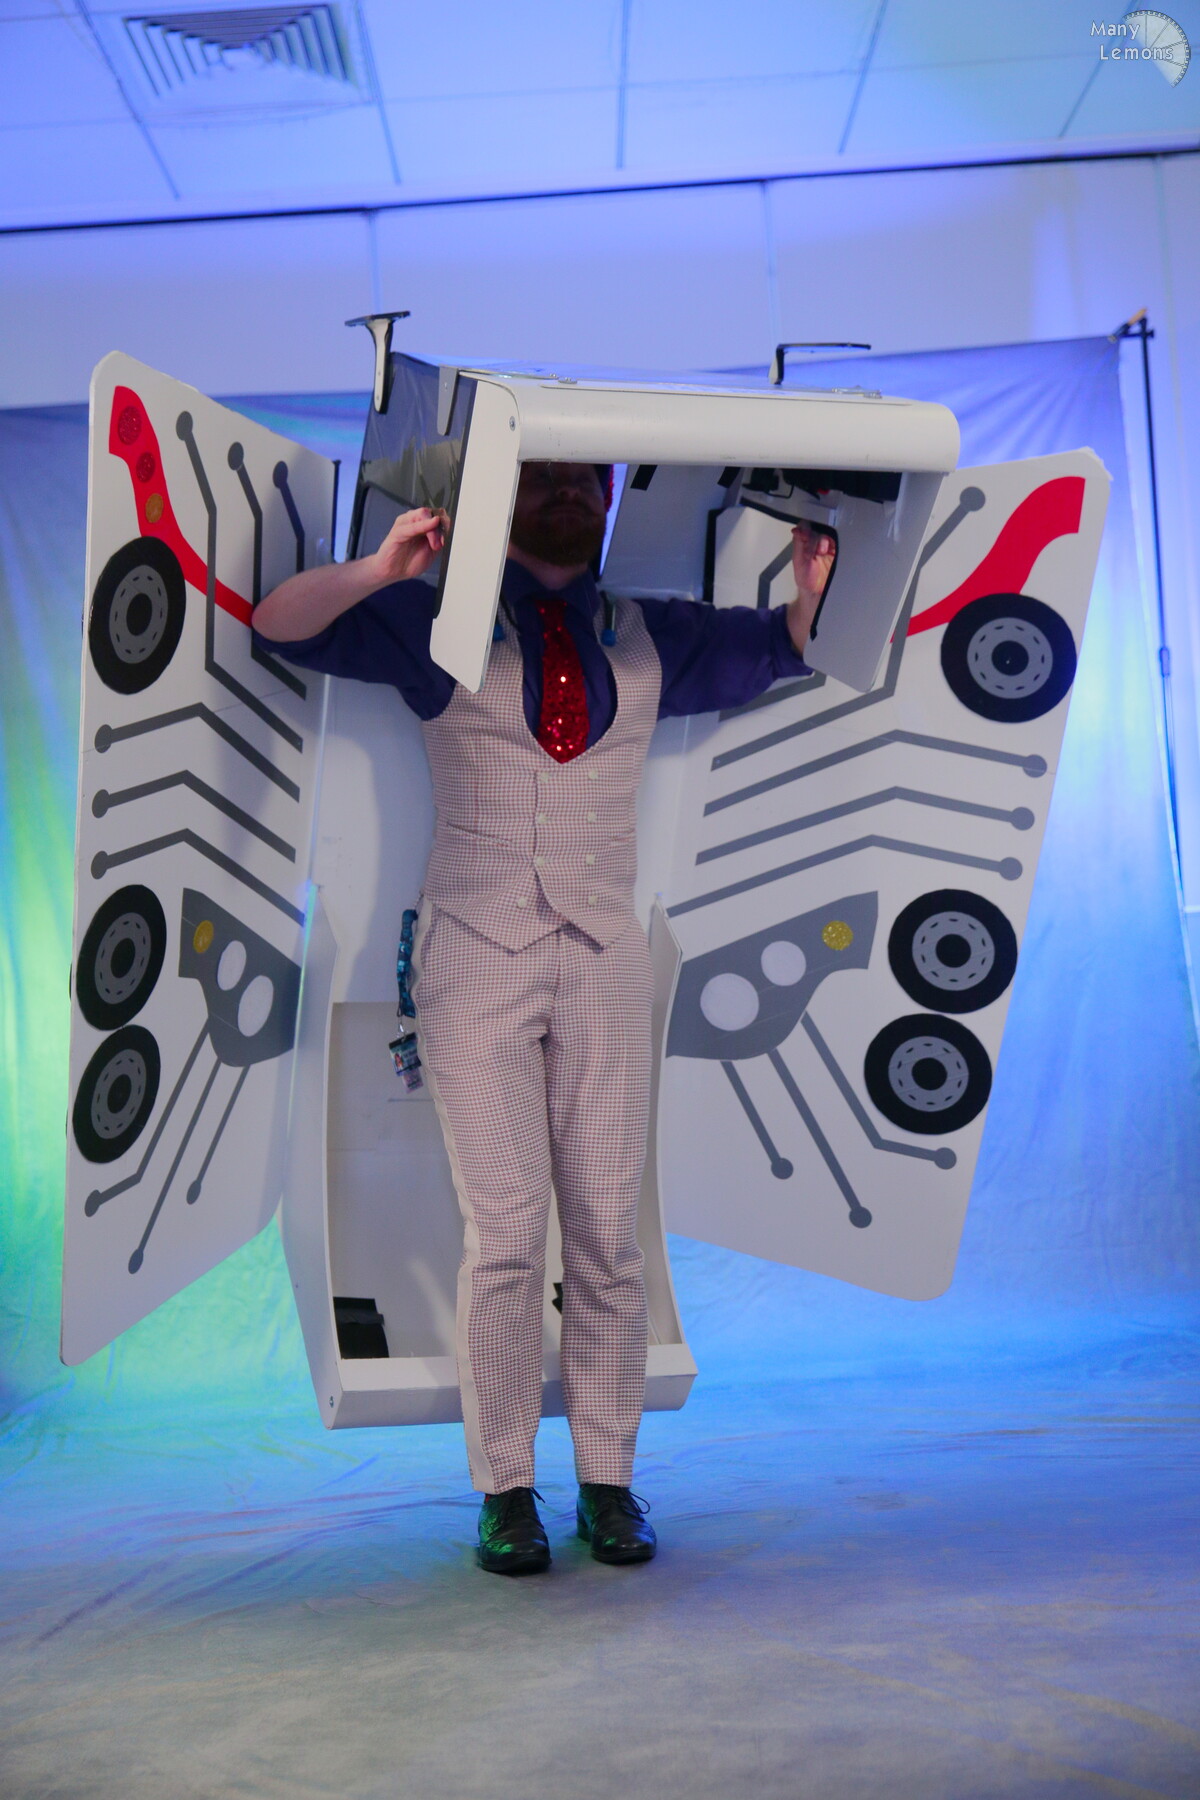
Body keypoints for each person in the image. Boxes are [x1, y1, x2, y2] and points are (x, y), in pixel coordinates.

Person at [254, 461, 834, 1575]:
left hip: (604, 959)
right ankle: (505, 1490)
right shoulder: (437, 620)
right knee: (510, 1232)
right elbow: (279, 625)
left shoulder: (650, 634)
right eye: (546, 477)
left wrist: (809, 593)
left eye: (586, 481)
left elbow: (781, 647)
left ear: (610, 500)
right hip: (475, 956)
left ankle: (609, 1481)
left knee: (609, 1234)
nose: (570, 494)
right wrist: (379, 569)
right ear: (500, 490)